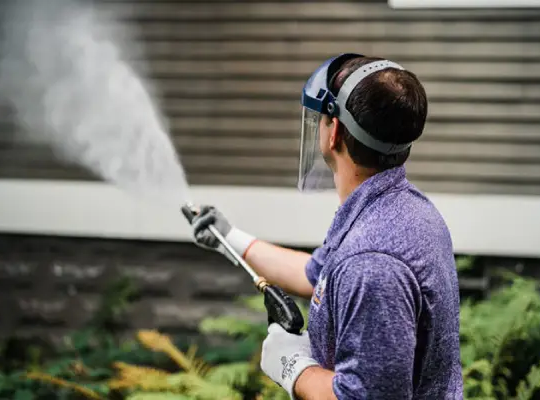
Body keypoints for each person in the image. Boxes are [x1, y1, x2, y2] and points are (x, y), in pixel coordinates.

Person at [190, 53, 464, 400]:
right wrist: (228, 237)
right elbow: (315, 274)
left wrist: (294, 368)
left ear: (334, 131)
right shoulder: (400, 208)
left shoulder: (370, 261)